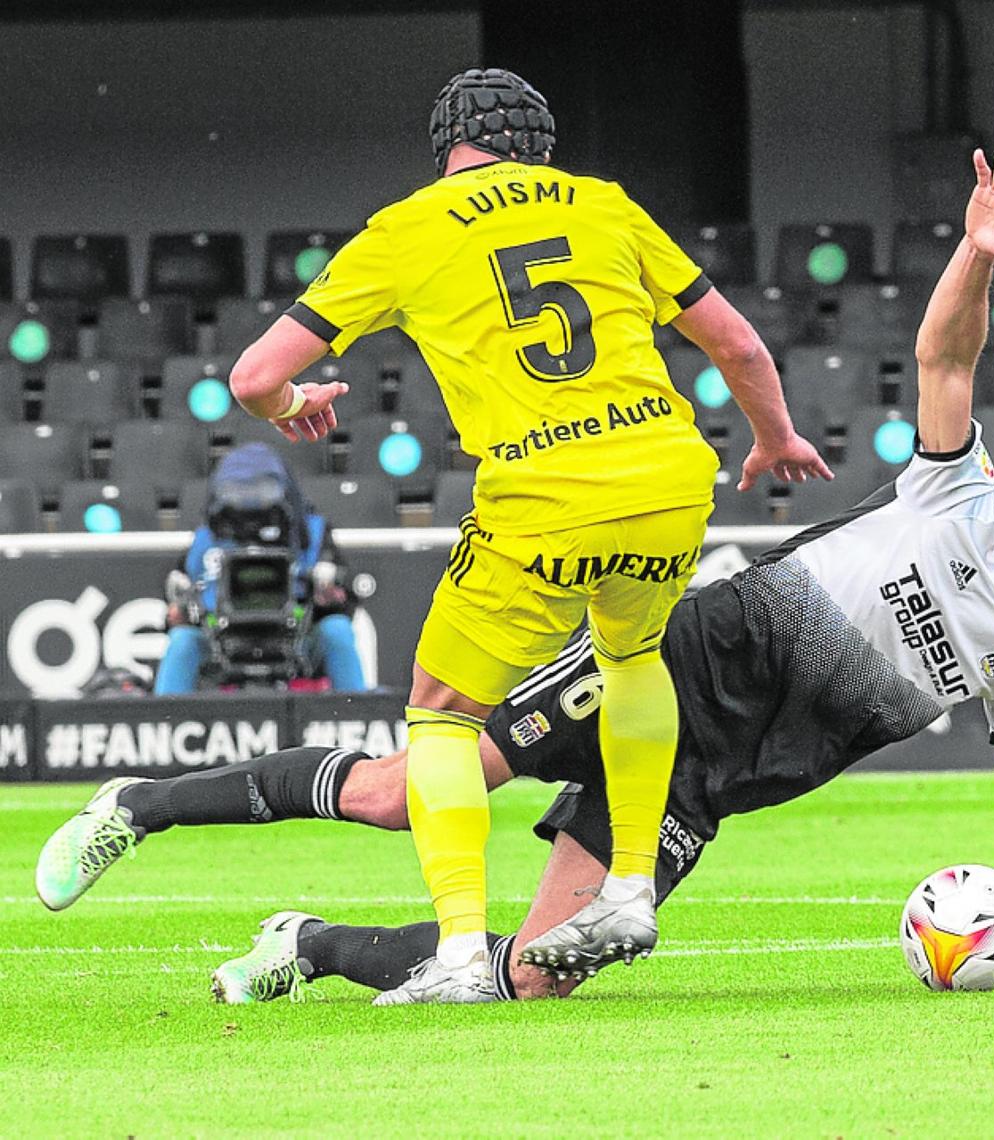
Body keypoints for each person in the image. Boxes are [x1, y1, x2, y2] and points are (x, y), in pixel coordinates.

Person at [36, 148, 994, 1002]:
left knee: (527, 982)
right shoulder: (962, 498)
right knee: (400, 793)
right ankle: (137, 808)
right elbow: (946, 356)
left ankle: (305, 945)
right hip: (687, 664)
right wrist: (976, 256)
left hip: (717, 783)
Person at [224, 67, 829, 1001]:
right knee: (633, 658)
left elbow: (253, 377)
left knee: (439, 711)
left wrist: (295, 403)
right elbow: (740, 346)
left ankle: (463, 950)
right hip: (669, 474)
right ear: (538, 146)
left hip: (544, 491)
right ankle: (630, 885)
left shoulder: (409, 227)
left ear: (446, 146)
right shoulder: (604, 205)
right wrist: (776, 436)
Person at [152, 442, 366, 695]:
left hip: (295, 641)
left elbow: (347, 596)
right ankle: (164, 724)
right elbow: (176, 602)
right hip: (221, 643)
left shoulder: (312, 534)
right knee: (182, 642)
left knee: (337, 631)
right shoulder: (206, 540)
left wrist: (332, 595)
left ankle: (359, 717)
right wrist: (177, 612)